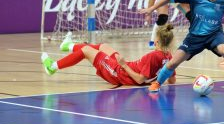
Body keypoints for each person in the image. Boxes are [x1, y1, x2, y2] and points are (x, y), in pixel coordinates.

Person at [41, 25, 176, 86]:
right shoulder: (169, 57)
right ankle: (68, 46)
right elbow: (172, 80)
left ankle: (52, 67)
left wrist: (123, 65)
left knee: (86, 50)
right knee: (103, 46)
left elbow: (140, 80)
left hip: (119, 73)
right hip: (126, 67)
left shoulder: (153, 56)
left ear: (156, 40)